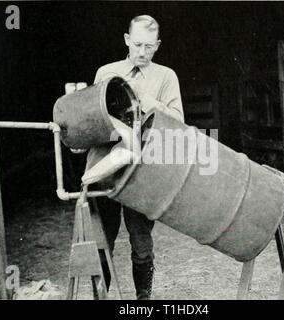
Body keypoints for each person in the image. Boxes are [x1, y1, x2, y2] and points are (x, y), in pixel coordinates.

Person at [86, 15, 184, 300]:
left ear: (158, 45)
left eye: (149, 47)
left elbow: (178, 122)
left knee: (141, 242)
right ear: (127, 40)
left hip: (143, 172)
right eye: (138, 44)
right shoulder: (106, 72)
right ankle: (99, 297)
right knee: (103, 238)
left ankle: (143, 300)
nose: (142, 52)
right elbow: (92, 118)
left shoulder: (166, 76)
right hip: (106, 165)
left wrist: (147, 100)